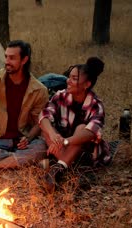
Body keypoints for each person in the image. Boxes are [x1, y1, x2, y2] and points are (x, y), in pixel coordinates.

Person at [0, 40, 49, 172]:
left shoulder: (39, 90)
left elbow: (39, 122)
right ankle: (26, 162)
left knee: (41, 146)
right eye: (6, 56)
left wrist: (28, 138)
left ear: (24, 60)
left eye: (12, 58)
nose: (7, 61)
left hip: (21, 141)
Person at [39, 57, 111, 193]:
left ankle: (58, 169)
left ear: (87, 84)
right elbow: (44, 116)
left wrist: (65, 142)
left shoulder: (96, 105)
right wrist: (54, 136)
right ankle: (66, 166)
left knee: (81, 128)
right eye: (69, 77)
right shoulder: (60, 96)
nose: (68, 81)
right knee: (47, 130)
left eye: (74, 78)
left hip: (85, 152)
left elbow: (91, 133)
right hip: (62, 148)